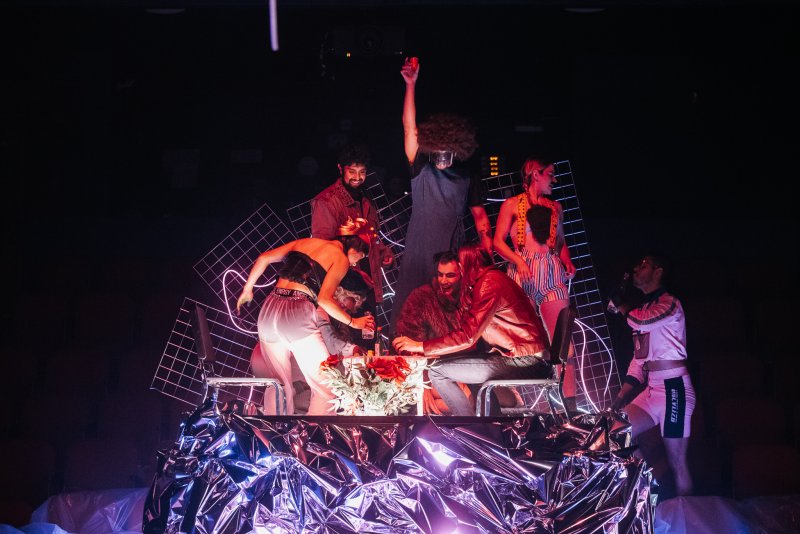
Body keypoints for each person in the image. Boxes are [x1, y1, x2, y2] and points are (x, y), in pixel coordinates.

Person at [389, 57, 493, 332]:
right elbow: (409, 128)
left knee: (448, 304)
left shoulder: (466, 175)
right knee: (413, 298)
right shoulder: (420, 166)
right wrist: (410, 85)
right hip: (420, 243)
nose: (442, 158)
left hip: (451, 246)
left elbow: (480, 216)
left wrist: (487, 247)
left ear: (457, 150)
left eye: (447, 153)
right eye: (437, 152)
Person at [237, 217, 376, 415]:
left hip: (268, 311)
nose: (356, 263)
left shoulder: (304, 242)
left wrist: (248, 289)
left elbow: (264, 258)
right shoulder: (341, 259)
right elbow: (325, 300)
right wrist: (354, 322)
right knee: (327, 386)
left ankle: (276, 440)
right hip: (296, 313)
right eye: (360, 257)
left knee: (279, 385)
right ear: (356, 248)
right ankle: (312, 438)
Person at [393, 242, 551, 416]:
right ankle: (483, 425)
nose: (445, 280)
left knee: (438, 372)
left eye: (456, 269)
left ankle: (470, 426)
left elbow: (468, 336)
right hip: (524, 357)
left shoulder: (488, 283)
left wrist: (420, 346)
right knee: (444, 376)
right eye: (440, 275)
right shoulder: (490, 280)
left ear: (467, 264)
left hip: (524, 360)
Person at [492, 156, 578, 410]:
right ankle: (517, 404)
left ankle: (568, 409)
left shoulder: (555, 207)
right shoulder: (511, 204)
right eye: (550, 174)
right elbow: (498, 242)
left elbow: (560, 241)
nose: (554, 179)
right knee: (520, 342)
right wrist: (518, 261)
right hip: (523, 271)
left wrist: (567, 261)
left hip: (550, 270)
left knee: (565, 344)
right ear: (534, 174)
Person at [608, 254, 694, 497]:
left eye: (643, 265)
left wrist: (621, 305)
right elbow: (639, 358)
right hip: (653, 389)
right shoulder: (643, 309)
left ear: (658, 272)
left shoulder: (670, 304)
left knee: (678, 463)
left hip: (674, 388)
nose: (636, 268)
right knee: (616, 433)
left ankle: (686, 519)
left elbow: (639, 322)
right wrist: (621, 395)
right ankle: (653, 492)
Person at [250, 268, 372, 415]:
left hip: (265, 354)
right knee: (328, 383)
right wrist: (354, 350)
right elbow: (330, 342)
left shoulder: (314, 304)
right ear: (341, 291)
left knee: (286, 388)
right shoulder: (318, 307)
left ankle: (279, 428)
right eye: (352, 301)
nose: (349, 308)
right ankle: (315, 429)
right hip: (274, 357)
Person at [311, 143, 394, 304]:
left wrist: (383, 253)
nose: (357, 177)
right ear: (341, 169)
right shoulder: (326, 201)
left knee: (371, 328)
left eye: (362, 172)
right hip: (344, 291)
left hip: (369, 284)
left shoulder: (366, 200)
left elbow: (370, 239)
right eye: (352, 171)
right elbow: (323, 248)